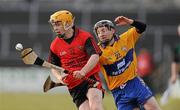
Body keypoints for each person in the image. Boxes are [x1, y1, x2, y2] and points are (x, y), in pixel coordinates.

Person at [93, 16, 161, 110]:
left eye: (103, 30)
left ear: (112, 30)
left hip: (134, 83)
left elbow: (142, 27)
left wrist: (129, 21)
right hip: (118, 92)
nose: (101, 34)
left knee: (153, 108)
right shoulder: (96, 51)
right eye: (98, 32)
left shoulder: (126, 38)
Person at [48, 10, 104, 110]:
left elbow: (95, 56)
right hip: (73, 86)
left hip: (90, 78)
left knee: (95, 107)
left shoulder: (84, 37)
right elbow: (53, 66)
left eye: (58, 24)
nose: (55, 28)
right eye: (54, 25)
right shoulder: (54, 45)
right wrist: (60, 77)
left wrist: (83, 71)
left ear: (68, 23)